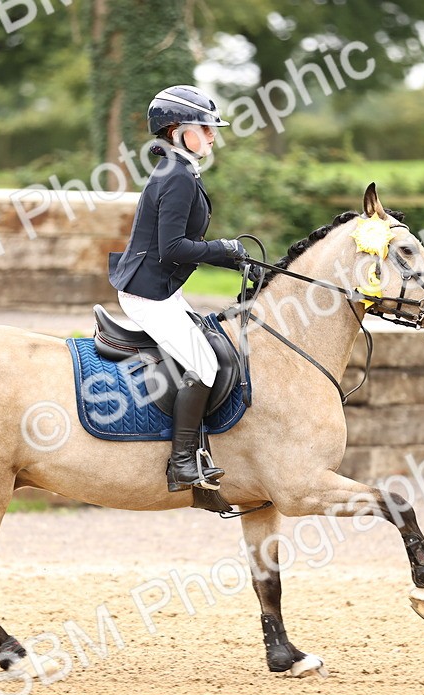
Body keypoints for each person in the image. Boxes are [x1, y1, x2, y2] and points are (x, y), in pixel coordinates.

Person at [107, 85, 248, 493]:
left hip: (163, 289)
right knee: (204, 366)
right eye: (205, 128)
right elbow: (172, 249)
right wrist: (222, 250)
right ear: (178, 131)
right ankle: (182, 463)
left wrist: (230, 255)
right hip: (148, 294)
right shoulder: (177, 177)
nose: (212, 135)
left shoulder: (180, 170)